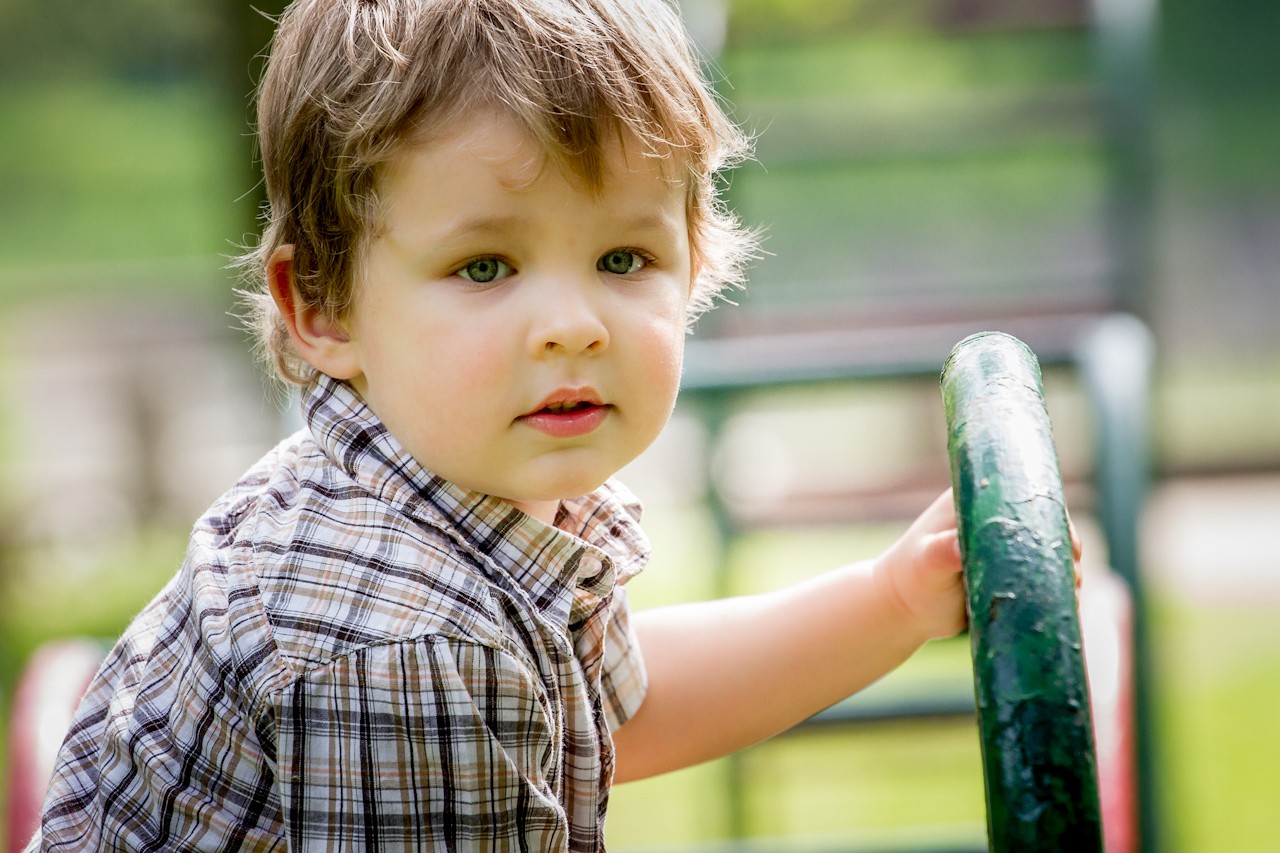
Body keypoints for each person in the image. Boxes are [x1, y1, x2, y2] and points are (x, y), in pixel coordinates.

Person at [30, 0, 981, 849]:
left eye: (623, 256)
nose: (574, 322)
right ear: (322, 303)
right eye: (485, 267)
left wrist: (888, 599)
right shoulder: (402, 644)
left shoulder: (452, 499)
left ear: (694, 262)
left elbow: (608, 716)